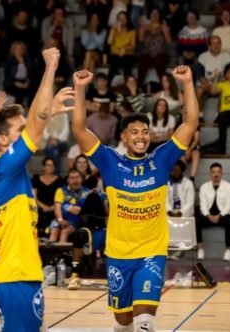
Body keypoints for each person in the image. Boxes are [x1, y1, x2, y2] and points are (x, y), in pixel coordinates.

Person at [70, 64, 198, 332]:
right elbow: (80, 129)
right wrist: (80, 90)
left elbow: (191, 123)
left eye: (145, 132)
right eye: (135, 133)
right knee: (123, 323)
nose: (141, 137)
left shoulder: (161, 160)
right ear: (124, 138)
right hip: (117, 254)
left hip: (151, 253)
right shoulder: (110, 161)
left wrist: (187, 83)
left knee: (144, 323)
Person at [0, 48, 73, 331]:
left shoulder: (0, 167)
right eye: (20, 130)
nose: (27, 133)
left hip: (14, 274)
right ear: (5, 140)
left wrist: (43, 115)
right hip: (14, 277)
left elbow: (34, 121)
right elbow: (37, 119)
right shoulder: (5, 167)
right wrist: (50, 68)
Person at [197, 163, 230, 261]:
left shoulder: (229, 186)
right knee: (197, 221)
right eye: (213, 172)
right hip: (208, 215)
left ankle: (228, 250)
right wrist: (208, 216)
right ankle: (200, 249)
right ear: (210, 174)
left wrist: (219, 216)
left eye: (218, 172)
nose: (216, 174)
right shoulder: (204, 187)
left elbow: (229, 205)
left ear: (222, 173)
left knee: (229, 221)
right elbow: (203, 205)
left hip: (223, 215)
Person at [49, 168, 90, 243]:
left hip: (78, 221)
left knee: (64, 231)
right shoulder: (61, 190)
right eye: (72, 178)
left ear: (81, 179)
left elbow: (86, 211)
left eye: (77, 177)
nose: (75, 180)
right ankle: (49, 254)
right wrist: (60, 220)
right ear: (68, 180)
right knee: (54, 229)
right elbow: (57, 207)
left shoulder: (87, 192)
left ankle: (62, 253)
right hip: (62, 219)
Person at [195, 35, 230, 113]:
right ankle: (200, 115)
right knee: (199, 91)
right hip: (206, 84)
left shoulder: (227, 57)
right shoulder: (203, 57)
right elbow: (200, 76)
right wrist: (209, 86)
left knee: (225, 90)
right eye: (213, 43)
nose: (216, 46)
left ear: (221, 44)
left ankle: (220, 115)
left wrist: (218, 86)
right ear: (209, 46)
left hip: (221, 84)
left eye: (218, 43)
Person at [136, 8, 171, 87]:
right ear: (149, 15)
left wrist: (165, 31)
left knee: (160, 61)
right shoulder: (144, 27)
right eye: (153, 13)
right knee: (143, 61)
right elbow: (140, 41)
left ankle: (164, 87)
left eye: (156, 14)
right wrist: (141, 30)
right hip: (146, 53)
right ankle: (139, 87)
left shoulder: (164, 27)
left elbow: (169, 41)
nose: (154, 15)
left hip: (160, 53)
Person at [32, 158, 65, 237]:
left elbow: (62, 197)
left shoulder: (60, 180)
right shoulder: (36, 179)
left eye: (52, 165)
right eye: (48, 165)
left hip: (55, 206)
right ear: (44, 167)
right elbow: (34, 196)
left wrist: (53, 207)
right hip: (40, 206)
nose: (50, 167)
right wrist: (43, 206)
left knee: (58, 212)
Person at [107, 11, 137, 83]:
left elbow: (133, 46)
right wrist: (113, 29)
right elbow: (109, 42)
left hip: (128, 54)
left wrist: (125, 49)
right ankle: (107, 86)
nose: (121, 20)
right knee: (113, 66)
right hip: (115, 54)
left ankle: (128, 87)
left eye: (123, 18)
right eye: (119, 18)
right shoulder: (114, 30)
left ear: (127, 20)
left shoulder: (132, 31)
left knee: (127, 66)